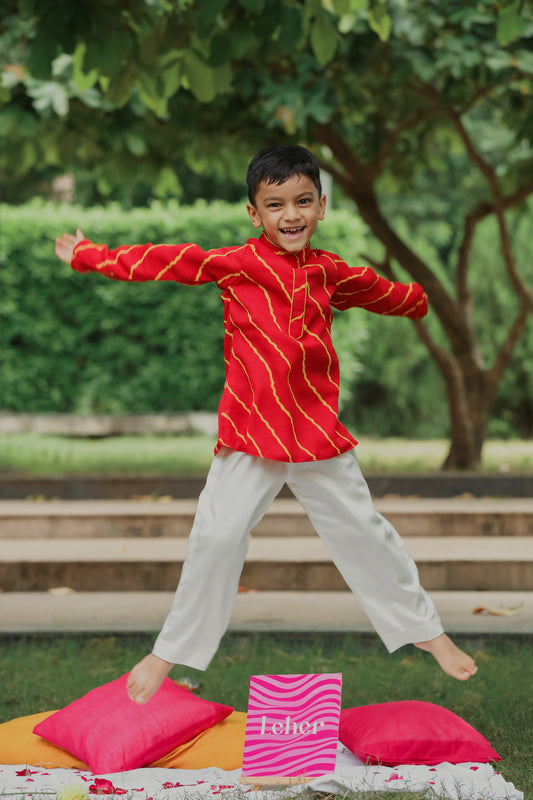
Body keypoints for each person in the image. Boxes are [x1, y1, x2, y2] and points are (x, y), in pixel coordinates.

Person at [55, 145, 477, 704]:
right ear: (255, 214)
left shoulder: (331, 273)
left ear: (321, 206)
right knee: (216, 537)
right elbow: (166, 260)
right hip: (250, 437)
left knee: (366, 534)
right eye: (275, 204)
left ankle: (428, 634)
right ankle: (168, 652)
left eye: (303, 201)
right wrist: (89, 255)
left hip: (317, 437)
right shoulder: (236, 263)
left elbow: (384, 292)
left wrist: (421, 302)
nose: (291, 215)